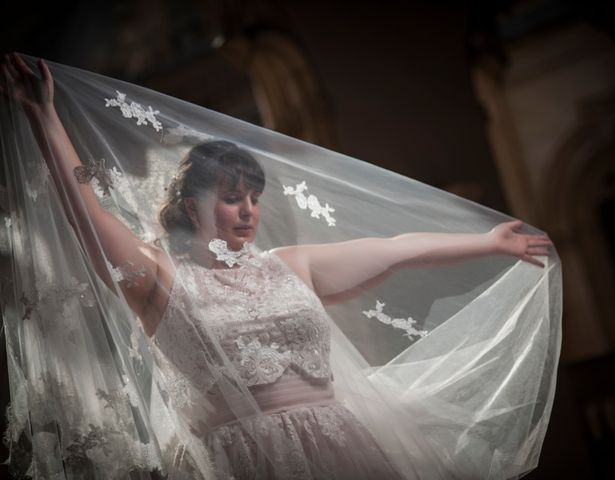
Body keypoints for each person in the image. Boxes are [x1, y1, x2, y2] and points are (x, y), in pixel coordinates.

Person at [0, 53, 560, 479]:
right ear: (192, 205)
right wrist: (46, 117)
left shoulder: (289, 265)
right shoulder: (161, 280)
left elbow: (398, 248)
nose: (247, 210)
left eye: (254, 196)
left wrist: (488, 242)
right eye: (231, 196)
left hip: (346, 448)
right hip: (245, 461)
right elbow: (87, 217)